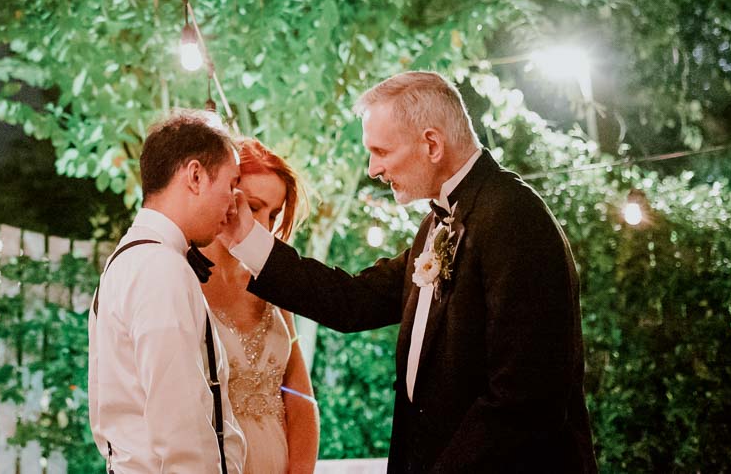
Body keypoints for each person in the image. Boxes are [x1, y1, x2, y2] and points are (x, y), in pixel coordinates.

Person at [220, 72, 597, 473]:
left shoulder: (514, 217)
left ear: (432, 143)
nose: (372, 169)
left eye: (381, 151)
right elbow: (353, 301)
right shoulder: (437, 226)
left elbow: (526, 398)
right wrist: (246, 238)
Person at [88, 108, 248, 473]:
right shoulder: (159, 268)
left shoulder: (133, 259)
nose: (233, 202)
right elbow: (181, 426)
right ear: (195, 175)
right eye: (231, 183)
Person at [196, 137, 319, 474]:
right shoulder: (182, 282)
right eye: (253, 205)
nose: (264, 225)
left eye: (274, 213)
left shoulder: (273, 284)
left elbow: (300, 397)